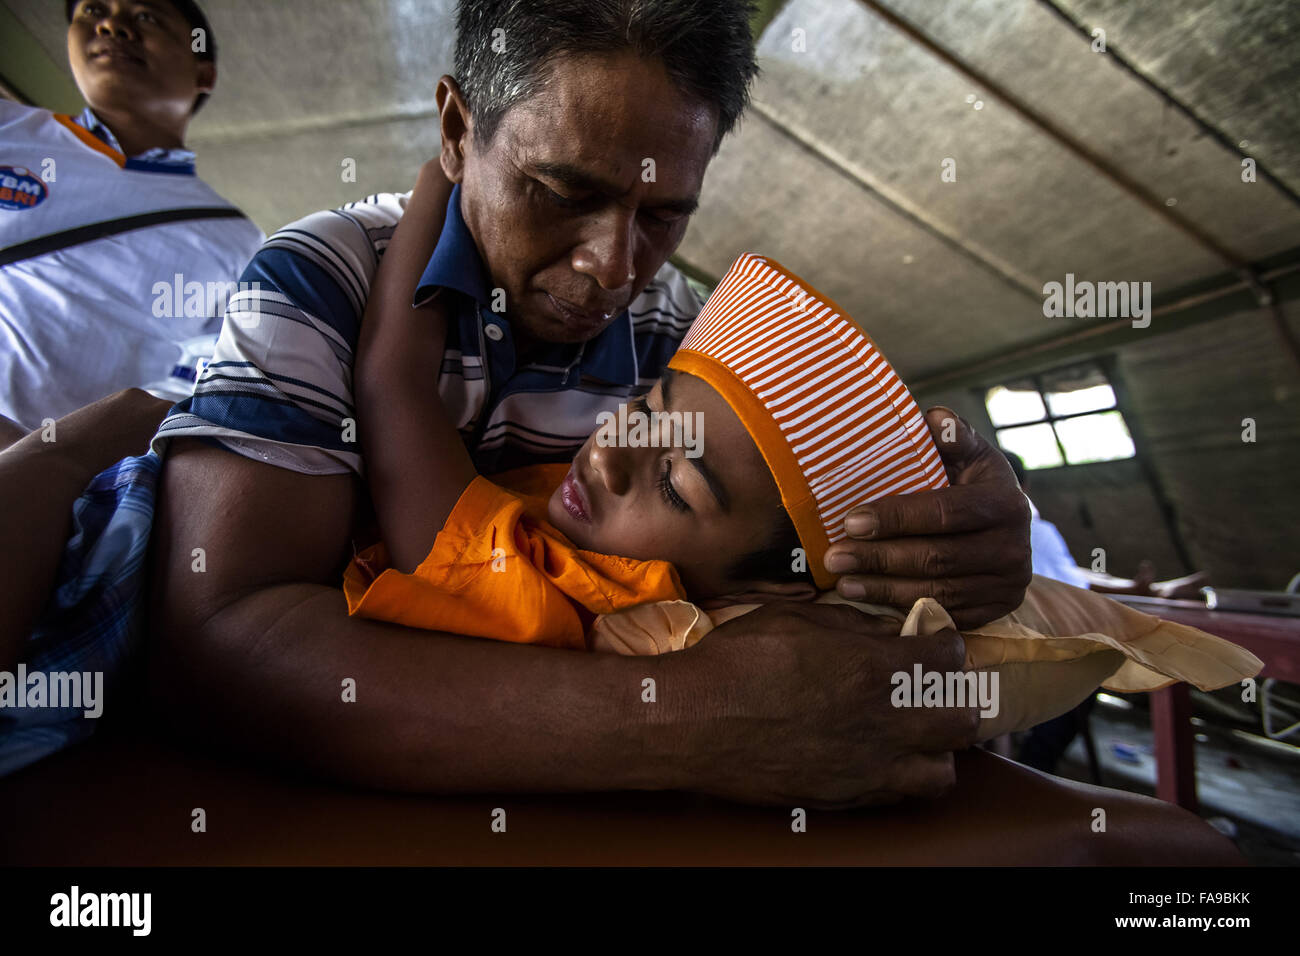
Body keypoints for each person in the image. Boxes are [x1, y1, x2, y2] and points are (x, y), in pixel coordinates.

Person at [8, 1, 1033, 805]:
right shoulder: (328, 272)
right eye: (560, 189)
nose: (610, 267)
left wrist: (957, 510)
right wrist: (689, 719)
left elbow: (815, 479)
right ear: (458, 129)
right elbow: (221, 647)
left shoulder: (688, 338)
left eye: (665, 212)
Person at [0, 0, 263, 430]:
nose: (111, 25)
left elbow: (209, 390)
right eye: (91, 11)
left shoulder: (238, 241)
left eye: (146, 17)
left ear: (204, 74)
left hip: (53, 484)